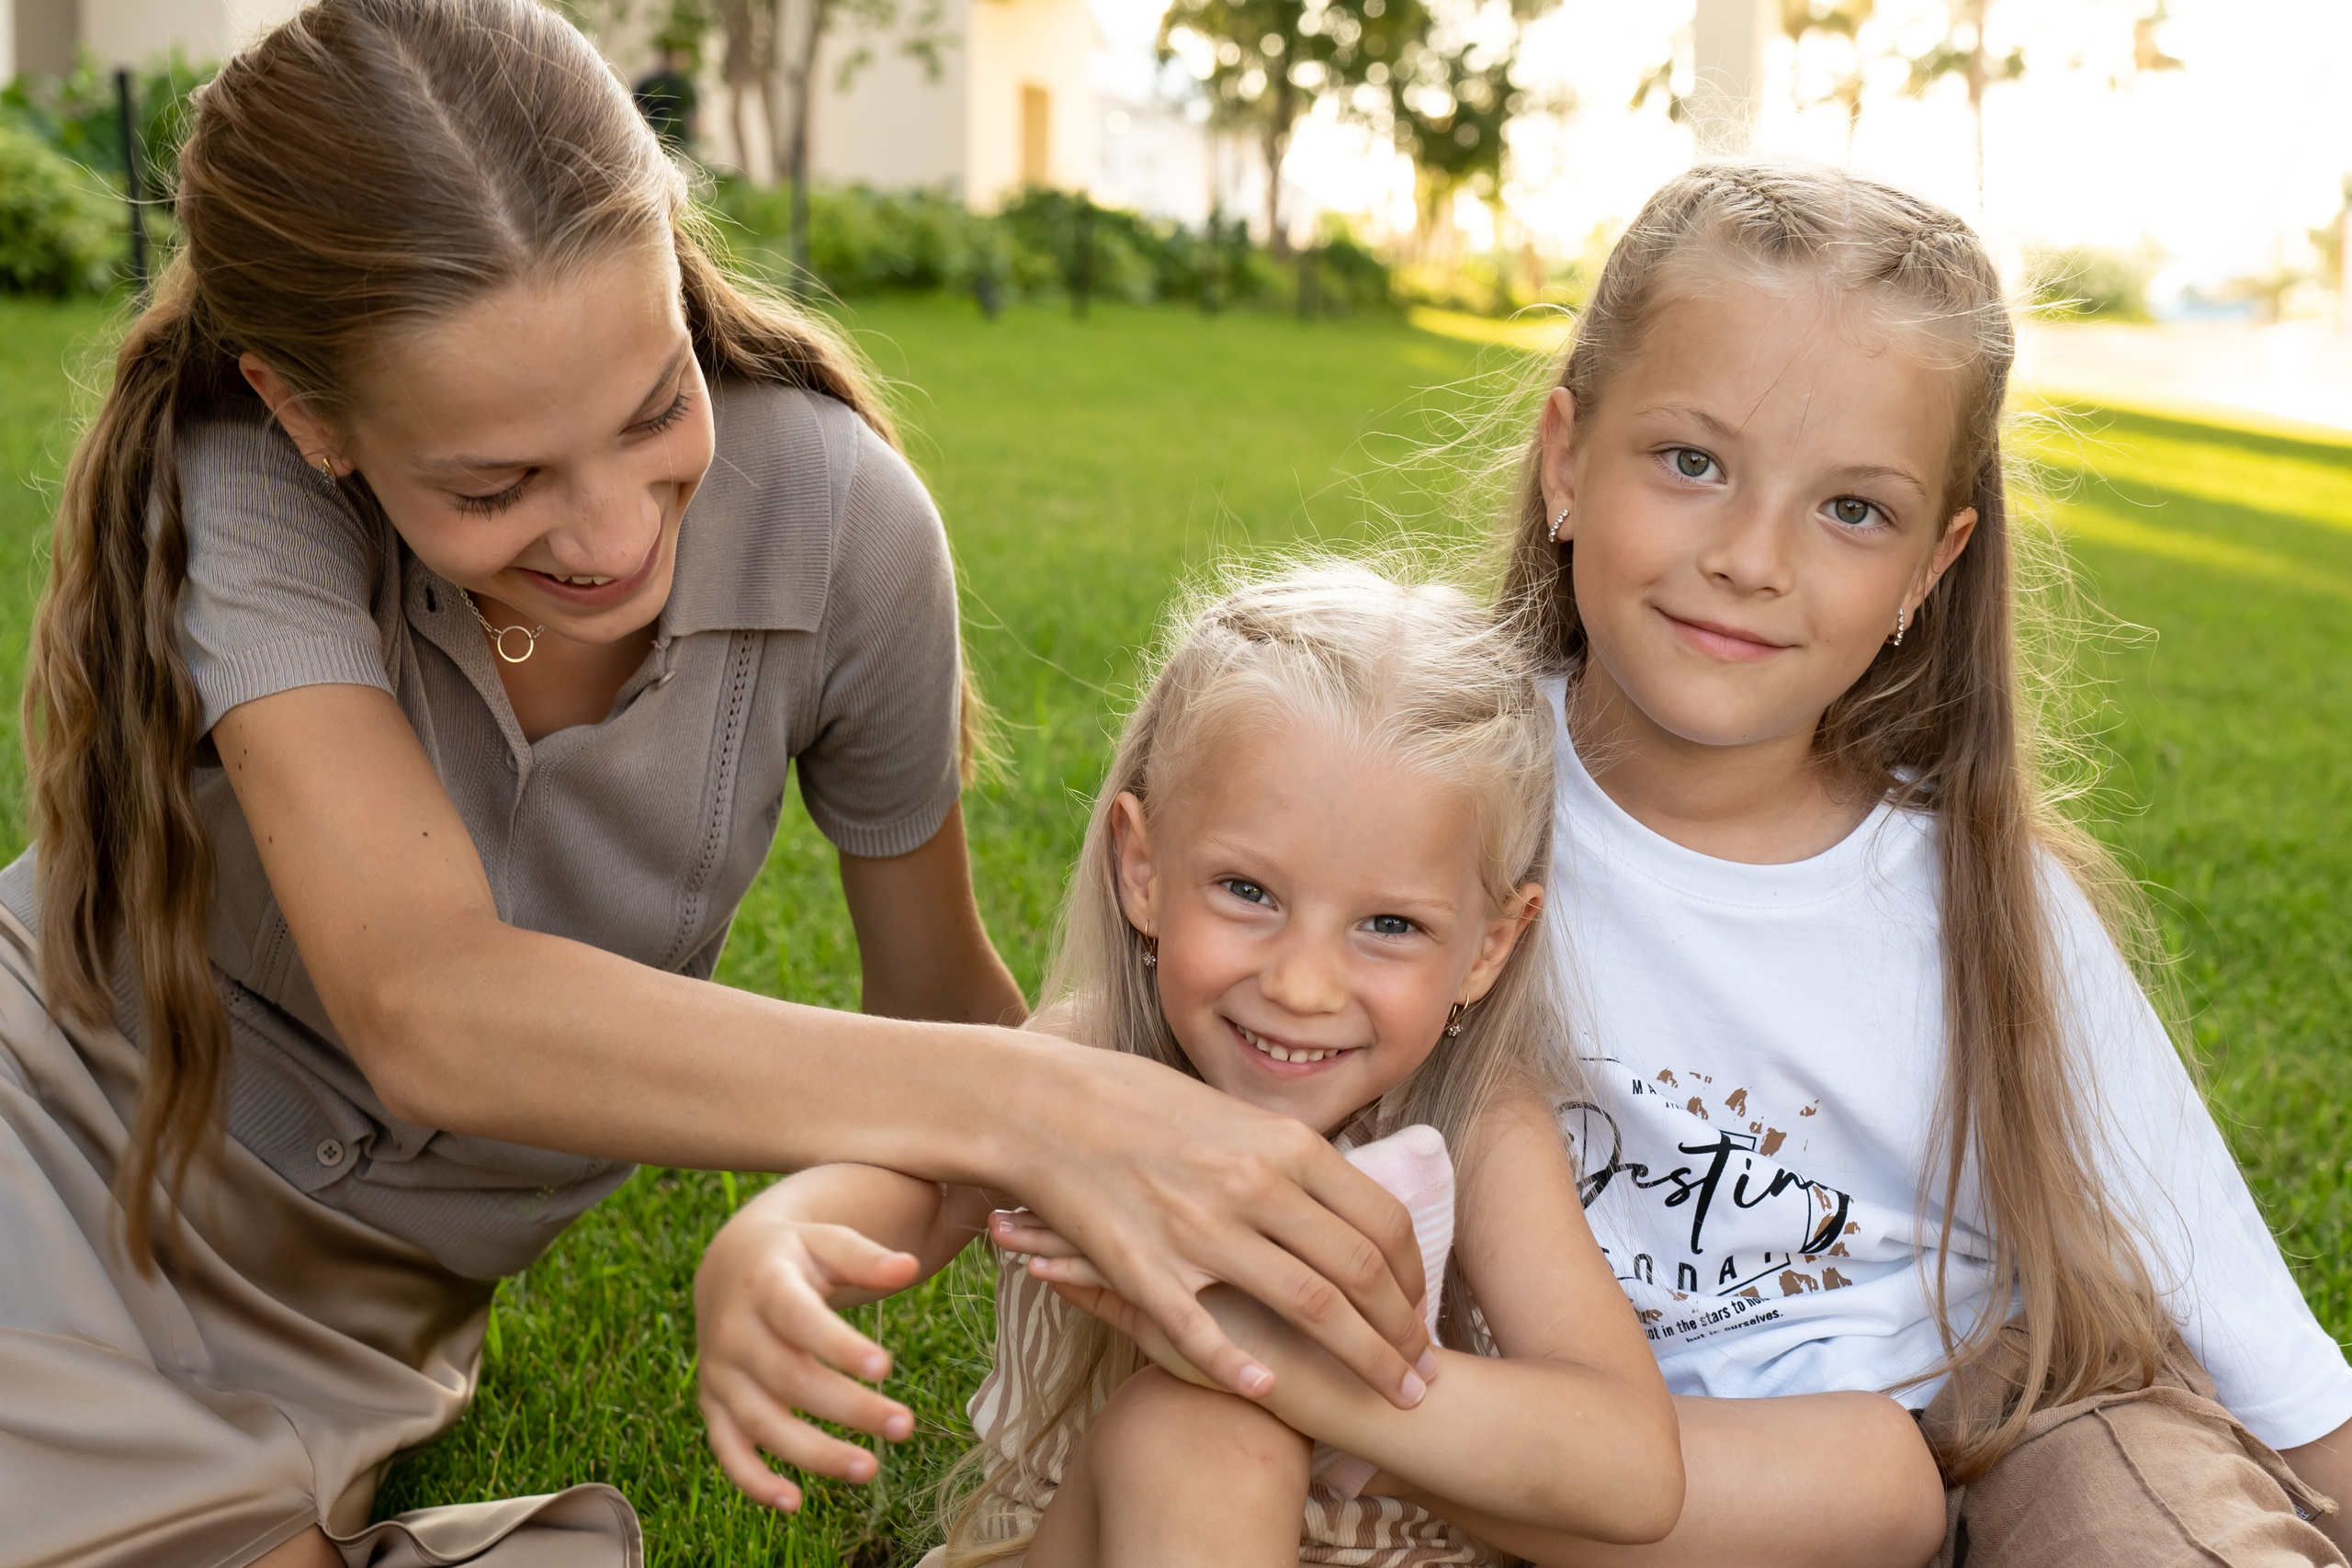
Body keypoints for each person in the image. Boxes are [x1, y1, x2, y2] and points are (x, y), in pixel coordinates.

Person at [0, 4, 1439, 1565]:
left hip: (350, 1328)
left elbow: (937, 1004)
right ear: (307, 413)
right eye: (495, 484)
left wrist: (902, 1201)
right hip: (56, 1141)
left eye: (653, 410)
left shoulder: (840, 524)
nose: (615, 533)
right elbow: (425, 1001)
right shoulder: (243, 483)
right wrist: (1046, 1106)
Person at [1464, 160, 2352, 1567]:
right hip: (1602, 1467)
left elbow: (2240, 1311)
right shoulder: (1423, 791)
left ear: (1930, 569)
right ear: (1567, 456)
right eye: (1692, 462)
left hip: (2001, 1414)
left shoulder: (1978, 896)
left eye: (1852, 510)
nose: (1751, 557)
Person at [694, 562, 1685, 1565]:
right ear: (1143, 867)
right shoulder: (1090, 1069)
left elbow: (1633, 1469)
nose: (1303, 986)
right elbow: (910, 1189)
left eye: (1389, 925)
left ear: (1487, 946)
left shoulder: (1475, 1120)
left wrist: (1275, 1353)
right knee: (1202, 1433)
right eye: (1248, 891)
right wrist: (776, 1239)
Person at [632, 44, 697, 154]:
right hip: (655, 138)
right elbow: (635, 107)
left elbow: (694, 118)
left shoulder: (684, 86)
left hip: (671, 140)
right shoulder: (650, 83)